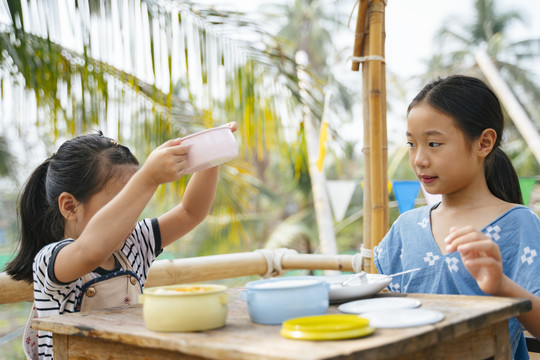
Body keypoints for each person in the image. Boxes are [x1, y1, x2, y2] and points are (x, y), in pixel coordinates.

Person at [5, 123, 237, 359]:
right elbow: (90, 251)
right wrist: (147, 179)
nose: (131, 217)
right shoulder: (51, 260)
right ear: (70, 207)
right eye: (121, 203)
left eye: (134, 203)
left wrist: (211, 156)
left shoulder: (134, 243)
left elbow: (190, 212)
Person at [373, 75, 540, 359]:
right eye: (412, 144)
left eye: (434, 144)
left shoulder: (519, 225)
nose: (419, 159)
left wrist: (501, 285)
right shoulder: (405, 228)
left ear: (484, 143)